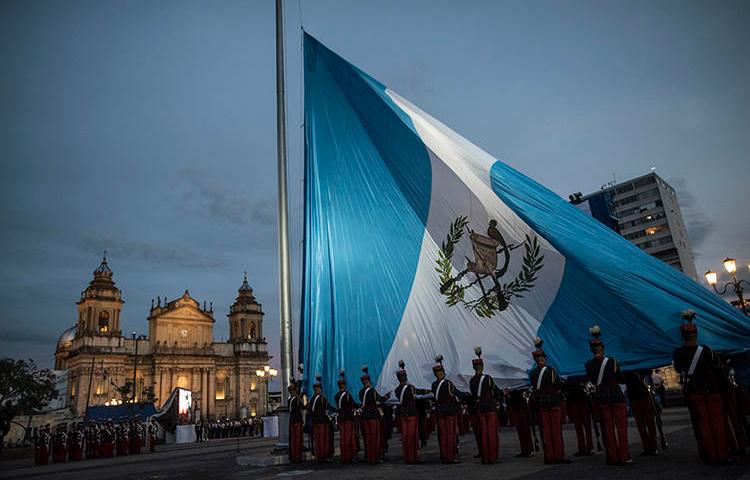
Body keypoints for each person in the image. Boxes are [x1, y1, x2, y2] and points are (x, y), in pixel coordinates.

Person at [673, 309, 730, 465]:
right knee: (718, 423)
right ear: (696, 334)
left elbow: (678, 369)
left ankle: (710, 455)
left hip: (694, 390)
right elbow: (717, 364)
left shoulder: (678, 353)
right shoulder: (706, 350)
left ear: (682, 336)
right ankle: (723, 455)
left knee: (702, 424)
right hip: (712, 389)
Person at [585, 325, 632, 466]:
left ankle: (612, 456)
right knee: (621, 428)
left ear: (591, 350)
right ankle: (624, 456)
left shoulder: (588, 365)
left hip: (602, 398)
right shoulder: (613, 361)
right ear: (603, 348)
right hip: (616, 396)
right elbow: (621, 379)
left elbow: (593, 381)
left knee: (608, 428)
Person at [530, 338, 569, 464]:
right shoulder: (551, 371)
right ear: (544, 358)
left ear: (536, 360)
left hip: (542, 403)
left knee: (546, 431)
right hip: (553, 403)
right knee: (556, 431)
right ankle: (559, 456)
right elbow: (558, 385)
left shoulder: (533, 373)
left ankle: (550, 456)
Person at [469, 347, 501, 464]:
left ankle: (485, 457)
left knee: (483, 432)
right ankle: (493, 456)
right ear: (482, 367)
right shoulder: (488, 379)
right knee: (492, 432)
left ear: (474, 368)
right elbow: (496, 391)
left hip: (480, 408)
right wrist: (503, 393)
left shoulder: (472, 381)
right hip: (490, 408)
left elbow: (473, 394)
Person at [431, 354, 460, 464]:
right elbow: (456, 393)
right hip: (450, 412)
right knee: (450, 434)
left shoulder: (434, 385)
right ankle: (451, 456)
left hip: (440, 412)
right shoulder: (448, 384)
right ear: (442, 372)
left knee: (442, 435)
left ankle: (444, 456)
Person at [359, 365, 389, 464]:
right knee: (375, 437)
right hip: (373, 416)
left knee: (367, 438)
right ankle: (375, 457)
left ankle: (369, 456)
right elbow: (380, 400)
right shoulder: (373, 391)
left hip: (364, 417)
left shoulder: (361, 392)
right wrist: (387, 396)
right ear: (368, 381)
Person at [624, 370, 659, 456]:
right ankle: (646, 446)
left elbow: (649, 371)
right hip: (635, 396)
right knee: (641, 424)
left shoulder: (642, 370)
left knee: (649, 422)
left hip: (643, 394)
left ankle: (653, 446)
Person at [394, 360, 421, 464]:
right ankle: (413, 458)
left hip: (403, 414)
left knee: (405, 437)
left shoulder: (397, 390)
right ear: (405, 377)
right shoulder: (410, 388)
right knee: (412, 436)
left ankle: (407, 458)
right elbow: (420, 392)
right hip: (412, 414)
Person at [334, 370, 359, 464]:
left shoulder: (336, 396)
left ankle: (344, 456)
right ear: (344, 385)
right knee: (349, 438)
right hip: (348, 418)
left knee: (342, 438)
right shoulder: (347, 395)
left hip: (341, 418)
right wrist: (360, 405)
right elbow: (353, 404)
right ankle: (349, 456)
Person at [564, 378, 594, 456]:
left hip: (576, 400)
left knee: (581, 427)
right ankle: (586, 447)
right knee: (582, 426)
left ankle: (584, 447)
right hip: (578, 400)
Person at [308, 375, 333, 462]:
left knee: (318, 439)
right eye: (317, 389)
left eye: (317, 388)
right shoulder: (322, 398)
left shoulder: (312, 399)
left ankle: (319, 455)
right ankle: (322, 455)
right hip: (321, 421)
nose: (317, 390)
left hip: (315, 421)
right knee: (321, 439)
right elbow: (327, 406)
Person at [507, 388, 534, 457]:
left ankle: (528, 449)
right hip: (515, 404)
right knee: (520, 430)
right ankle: (524, 449)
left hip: (521, 405)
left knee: (524, 429)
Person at [288, 379, 305, 463]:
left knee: (293, 439)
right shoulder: (296, 399)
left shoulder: (289, 399)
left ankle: (293, 456)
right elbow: (302, 407)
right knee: (298, 439)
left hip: (291, 420)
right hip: (297, 420)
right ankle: (298, 456)